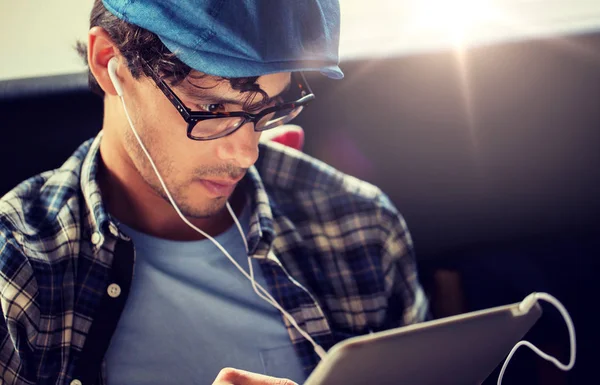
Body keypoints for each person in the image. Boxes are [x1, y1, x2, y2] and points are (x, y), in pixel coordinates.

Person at [0, 1, 429, 384]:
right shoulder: (16, 271)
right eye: (213, 110)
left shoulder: (362, 226)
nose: (245, 154)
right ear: (108, 60)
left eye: (270, 108)